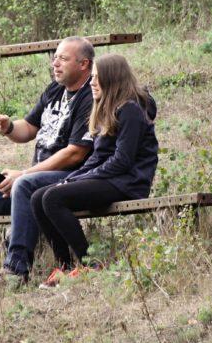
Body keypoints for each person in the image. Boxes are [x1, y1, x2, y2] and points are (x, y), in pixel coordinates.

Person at [0, 37, 97, 292]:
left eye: (63, 59)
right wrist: (8, 127)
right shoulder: (54, 90)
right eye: (55, 58)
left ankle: (15, 271)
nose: (55, 64)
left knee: (24, 184)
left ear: (84, 64)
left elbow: (76, 153)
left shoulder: (91, 96)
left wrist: (24, 174)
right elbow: (29, 128)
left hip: (71, 179)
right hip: (36, 178)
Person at [30, 54, 158, 287]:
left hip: (128, 182)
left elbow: (122, 161)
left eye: (97, 77)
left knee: (52, 198)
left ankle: (91, 264)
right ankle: (64, 267)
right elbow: (98, 157)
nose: (92, 82)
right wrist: (72, 179)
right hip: (111, 179)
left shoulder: (131, 109)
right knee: (38, 197)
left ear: (112, 79)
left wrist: (83, 178)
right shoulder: (106, 109)